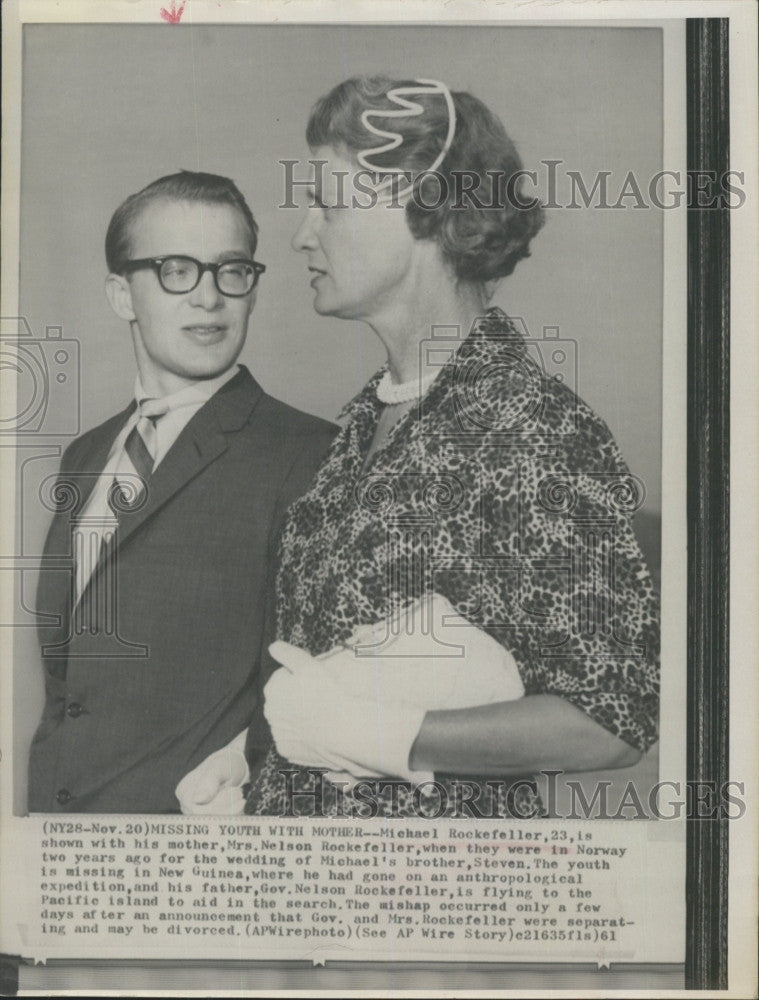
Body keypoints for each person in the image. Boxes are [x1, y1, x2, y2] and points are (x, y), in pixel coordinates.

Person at [178, 77, 659, 819]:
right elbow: (345, 675)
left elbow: (613, 719)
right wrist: (257, 754)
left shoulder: (528, 424)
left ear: (424, 208)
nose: (303, 233)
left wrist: (380, 736)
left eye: (330, 204)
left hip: (441, 882)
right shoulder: (362, 426)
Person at [28, 171, 336, 813]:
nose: (209, 297)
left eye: (232, 270)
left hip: (195, 835)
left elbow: (318, 685)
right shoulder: (84, 456)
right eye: (176, 271)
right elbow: (68, 685)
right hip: (56, 834)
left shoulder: (310, 453)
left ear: (252, 288)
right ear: (122, 295)